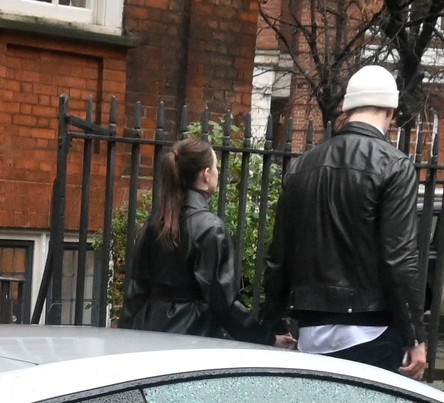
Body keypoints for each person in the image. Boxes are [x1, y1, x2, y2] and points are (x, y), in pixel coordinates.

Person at [260, 64, 428, 379]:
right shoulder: (395, 166)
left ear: (347, 109)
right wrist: (415, 337)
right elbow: (399, 259)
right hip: (373, 330)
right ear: (390, 111)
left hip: (311, 330)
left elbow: (279, 257)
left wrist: (273, 324)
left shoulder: (301, 167)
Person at [122, 136, 267, 342]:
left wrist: (124, 334)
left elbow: (136, 290)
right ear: (206, 175)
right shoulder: (210, 228)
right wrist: (264, 338)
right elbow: (223, 302)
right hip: (194, 339)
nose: (218, 173)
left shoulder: (155, 223)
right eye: (216, 167)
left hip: (151, 334)